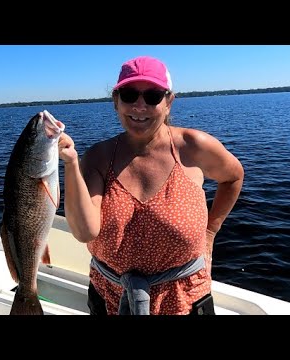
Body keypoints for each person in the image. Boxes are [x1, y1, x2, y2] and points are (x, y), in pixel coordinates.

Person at [58, 55, 244, 315]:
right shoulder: (98, 157)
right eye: (129, 94)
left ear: (169, 102)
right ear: (116, 101)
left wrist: (211, 232)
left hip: (184, 300)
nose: (140, 106)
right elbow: (85, 232)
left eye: (153, 96)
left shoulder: (194, 147)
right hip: (110, 297)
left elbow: (233, 177)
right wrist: (70, 164)